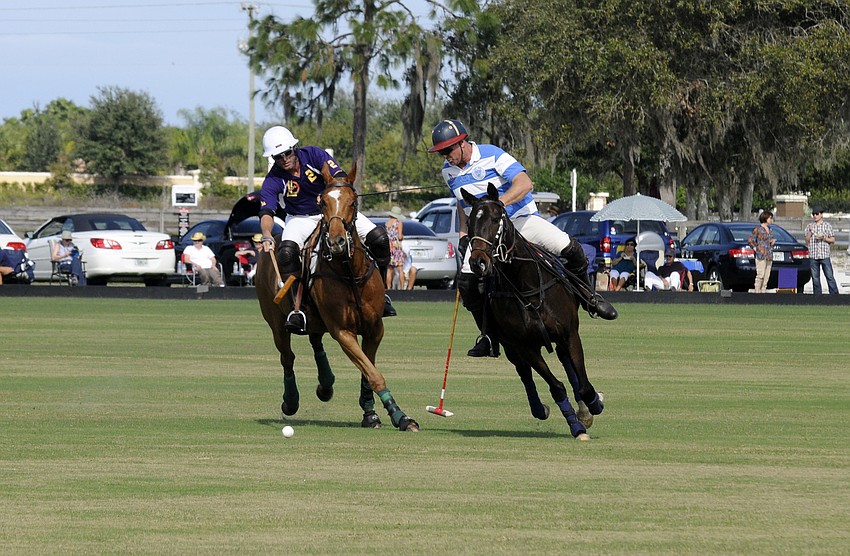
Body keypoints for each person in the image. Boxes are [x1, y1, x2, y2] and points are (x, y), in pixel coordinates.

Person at [428, 118, 616, 358]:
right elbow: (462, 203)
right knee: (467, 283)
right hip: (486, 236)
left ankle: (589, 297)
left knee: (572, 249)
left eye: (448, 150)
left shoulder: (493, 155)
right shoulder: (448, 172)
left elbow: (525, 183)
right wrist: (464, 234)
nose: (445, 156)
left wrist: (499, 206)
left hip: (521, 221)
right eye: (440, 152)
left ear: (463, 143)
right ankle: (488, 336)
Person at [256, 125, 396, 332]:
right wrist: (267, 234)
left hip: (333, 211)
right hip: (300, 219)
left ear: (294, 148)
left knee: (380, 238)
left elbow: (339, 179)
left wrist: (330, 193)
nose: (284, 159)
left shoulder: (313, 155)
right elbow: (267, 212)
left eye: (287, 153)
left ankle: (381, 294)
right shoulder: (274, 179)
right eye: (278, 156)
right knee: (286, 253)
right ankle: (298, 309)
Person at [805, 206, 838, 294]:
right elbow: (807, 241)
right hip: (813, 256)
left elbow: (833, 240)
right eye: (813, 214)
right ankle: (818, 297)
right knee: (815, 278)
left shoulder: (827, 226)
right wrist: (810, 232)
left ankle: (835, 296)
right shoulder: (809, 226)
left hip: (824, 255)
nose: (815, 216)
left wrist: (824, 238)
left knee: (829, 276)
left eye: (817, 214)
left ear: (821, 215)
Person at [747, 211, 775, 293]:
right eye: (770, 218)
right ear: (765, 218)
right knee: (760, 274)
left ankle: (763, 290)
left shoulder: (770, 229)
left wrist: (772, 242)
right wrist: (755, 248)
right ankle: (757, 291)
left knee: (767, 275)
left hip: (769, 255)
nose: (771, 220)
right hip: (761, 254)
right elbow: (750, 240)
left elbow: (770, 240)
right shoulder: (758, 229)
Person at [385, 206, 405, 290]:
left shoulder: (387, 223)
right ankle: (402, 288)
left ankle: (388, 287)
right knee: (400, 269)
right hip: (396, 246)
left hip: (389, 246)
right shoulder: (398, 223)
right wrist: (402, 237)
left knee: (389, 269)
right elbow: (399, 236)